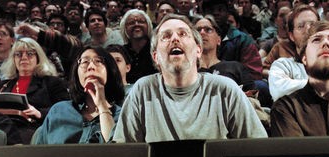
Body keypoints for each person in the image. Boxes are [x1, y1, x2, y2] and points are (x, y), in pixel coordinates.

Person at [112, 14, 267, 142]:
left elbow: (255, 147)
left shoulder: (225, 89)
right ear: (155, 57)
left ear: (198, 50)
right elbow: (124, 151)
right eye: (165, 36)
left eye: (182, 34)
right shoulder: (142, 90)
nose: (174, 39)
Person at [33, 45, 124, 144]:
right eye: (85, 62)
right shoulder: (59, 111)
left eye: (98, 61)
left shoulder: (121, 116)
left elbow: (116, 151)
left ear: (110, 71)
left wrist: (102, 105)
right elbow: (38, 154)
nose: (91, 67)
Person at [0, 37, 69, 144]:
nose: (24, 57)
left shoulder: (52, 83)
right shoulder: (0, 86)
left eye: (30, 54)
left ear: (38, 58)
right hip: (1, 128)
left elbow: (65, 110)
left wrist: (39, 113)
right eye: (18, 54)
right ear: (13, 59)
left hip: (32, 128)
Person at [119, 9, 157, 83]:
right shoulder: (121, 52)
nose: (136, 24)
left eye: (141, 21)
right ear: (125, 28)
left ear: (148, 26)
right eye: (131, 22)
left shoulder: (157, 49)